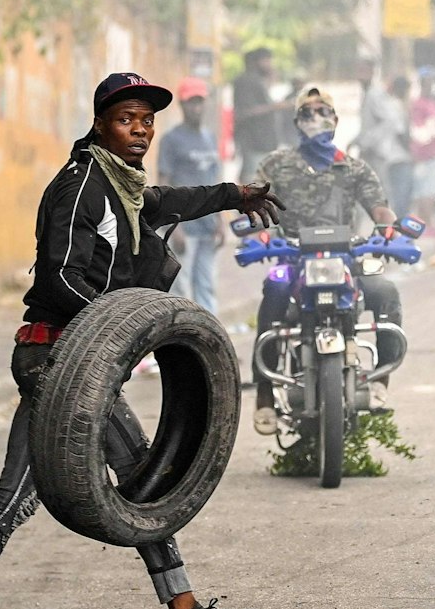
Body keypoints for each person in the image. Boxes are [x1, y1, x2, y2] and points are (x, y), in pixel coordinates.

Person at [0, 72, 285, 609]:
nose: (141, 130)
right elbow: (57, 278)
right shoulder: (82, 186)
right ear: (101, 124)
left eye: (147, 120)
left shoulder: (123, 191)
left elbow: (171, 201)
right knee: (141, 476)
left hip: (72, 361)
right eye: (128, 119)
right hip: (57, 358)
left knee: (38, 492)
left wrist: (235, 192)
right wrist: (111, 338)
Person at [250, 88, 401, 435]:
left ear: (335, 120)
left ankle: (380, 384)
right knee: (273, 294)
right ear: (296, 123)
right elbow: (256, 202)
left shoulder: (354, 168)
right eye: (307, 113)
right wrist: (256, 230)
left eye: (323, 112)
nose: (315, 118)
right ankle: (264, 397)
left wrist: (388, 228)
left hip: (346, 259)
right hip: (293, 257)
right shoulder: (276, 165)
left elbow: (379, 208)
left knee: (386, 292)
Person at [158, 77, 223, 314]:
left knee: (207, 287)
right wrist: (175, 226)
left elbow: (216, 181)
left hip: (207, 226)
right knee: (180, 289)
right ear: (182, 106)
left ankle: (210, 343)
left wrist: (220, 221)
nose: (196, 108)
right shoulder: (171, 140)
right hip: (184, 226)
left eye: (199, 102)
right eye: (191, 103)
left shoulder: (209, 138)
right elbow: (164, 184)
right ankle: (181, 343)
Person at [357, 72, 413, 216]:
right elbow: (400, 132)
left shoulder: (389, 103)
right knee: (394, 195)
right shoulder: (391, 104)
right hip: (392, 156)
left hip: (386, 154)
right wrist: (411, 151)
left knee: (388, 194)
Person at [230, 47, 289, 183]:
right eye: (267, 60)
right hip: (254, 141)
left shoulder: (257, 80)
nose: (270, 64)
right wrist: (275, 107)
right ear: (257, 61)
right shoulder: (247, 80)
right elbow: (247, 111)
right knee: (252, 180)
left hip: (261, 142)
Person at [407, 70, 435, 225]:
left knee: (426, 189)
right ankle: (426, 223)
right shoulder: (424, 105)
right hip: (427, 153)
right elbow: (420, 131)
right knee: (427, 190)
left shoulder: (423, 104)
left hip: (427, 153)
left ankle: (424, 223)